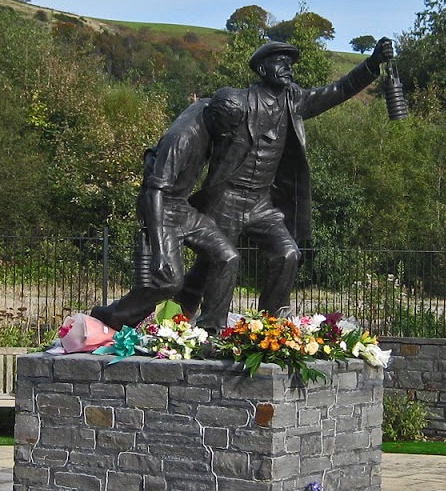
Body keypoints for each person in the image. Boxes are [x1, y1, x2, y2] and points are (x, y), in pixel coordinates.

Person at [181, 36, 393, 323]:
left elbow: (338, 89)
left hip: (261, 202)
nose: (287, 68)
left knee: (288, 254)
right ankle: (209, 327)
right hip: (228, 197)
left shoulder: (295, 102)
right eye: (280, 62)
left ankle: (271, 328)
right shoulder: (239, 102)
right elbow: (200, 134)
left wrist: (371, 63)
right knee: (218, 262)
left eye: (290, 63)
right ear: (263, 69)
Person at [89, 95, 242, 332]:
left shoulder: (208, 107)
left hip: (181, 206)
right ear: (214, 117)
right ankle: (114, 315)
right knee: (168, 281)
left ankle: (211, 328)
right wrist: (159, 251)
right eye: (227, 127)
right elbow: (154, 192)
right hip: (161, 207)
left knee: (227, 257)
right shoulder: (182, 139)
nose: (229, 134)